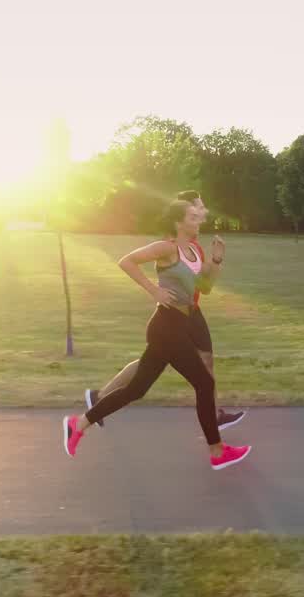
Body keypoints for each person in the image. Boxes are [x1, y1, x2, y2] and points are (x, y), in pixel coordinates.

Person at [62, 200, 251, 471]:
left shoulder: (193, 251)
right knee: (204, 384)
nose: (199, 218)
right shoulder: (168, 247)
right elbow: (126, 261)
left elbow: (205, 287)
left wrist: (217, 259)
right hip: (167, 327)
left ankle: (78, 424)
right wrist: (154, 291)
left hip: (181, 324)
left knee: (136, 390)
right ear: (178, 222)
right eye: (192, 215)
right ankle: (217, 451)